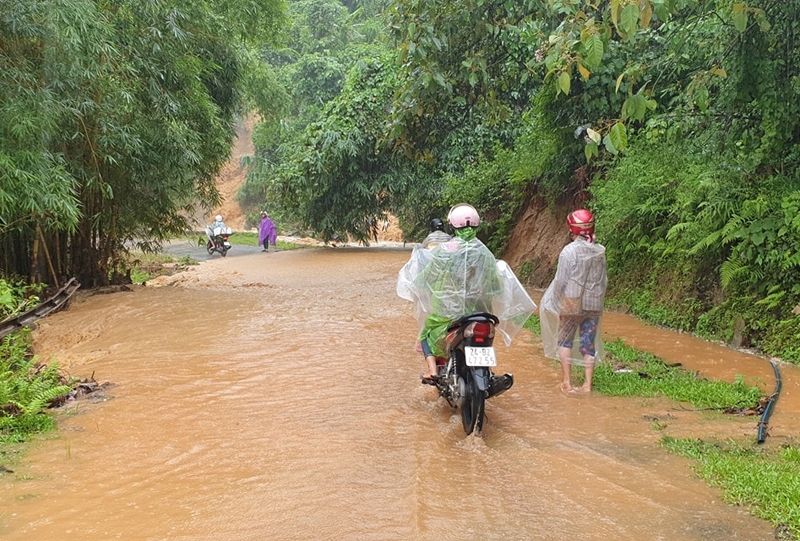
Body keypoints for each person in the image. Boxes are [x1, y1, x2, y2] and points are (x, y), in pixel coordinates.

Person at [397, 203, 536, 383]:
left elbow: (425, 278)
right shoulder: (485, 253)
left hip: (447, 315)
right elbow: (496, 287)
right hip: (480, 313)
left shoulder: (445, 251)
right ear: (477, 225)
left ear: (452, 226)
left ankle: (432, 370)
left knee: (425, 336)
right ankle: (486, 372)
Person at [540, 208, 608, 394]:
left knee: (565, 341)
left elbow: (561, 281)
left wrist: (553, 300)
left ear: (572, 229)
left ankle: (567, 383)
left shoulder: (568, 252)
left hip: (571, 302)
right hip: (594, 302)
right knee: (588, 343)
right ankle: (587, 385)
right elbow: (603, 279)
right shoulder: (600, 251)